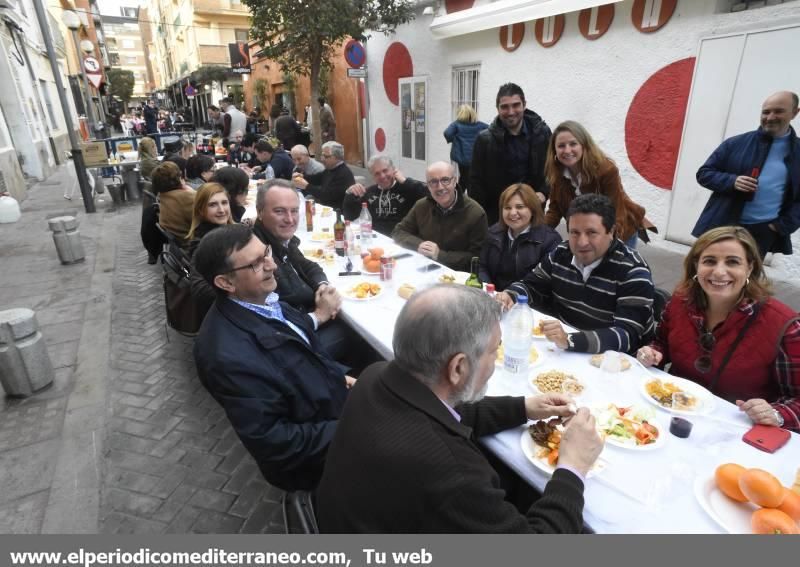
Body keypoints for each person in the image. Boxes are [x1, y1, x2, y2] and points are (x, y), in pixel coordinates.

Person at [316, 285, 603, 533]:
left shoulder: (376, 375)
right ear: (458, 367)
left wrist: (524, 408)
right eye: (494, 351)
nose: (494, 361)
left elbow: (446, 413)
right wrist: (572, 467)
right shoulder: (454, 473)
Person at [192, 225, 353, 491]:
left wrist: (340, 376)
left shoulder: (266, 302)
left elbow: (308, 354)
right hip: (317, 460)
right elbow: (279, 444)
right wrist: (357, 426)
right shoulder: (226, 357)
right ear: (225, 283)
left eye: (266, 253)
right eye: (256, 263)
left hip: (330, 414)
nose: (272, 265)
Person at [637, 226, 799, 431]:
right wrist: (653, 353)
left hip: (735, 431)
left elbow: (797, 400)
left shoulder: (785, 326)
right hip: (673, 416)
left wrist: (776, 414)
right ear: (696, 266)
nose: (719, 272)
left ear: (749, 268)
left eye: (733, 262)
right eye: (709, 261)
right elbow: (661, 343)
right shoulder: (680, 301)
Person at [497, 194, 654, 354]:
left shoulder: (633, 271)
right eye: (574, 232)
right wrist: (511, 295)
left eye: (591, 232)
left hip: (612, 363)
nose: (581, 242)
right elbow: (532, 285)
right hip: (565, 351)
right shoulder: (561, 253)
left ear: (611, 231)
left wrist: (570, 340)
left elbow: (627, 335)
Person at [693, 91, 800, 258]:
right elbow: (704, 174)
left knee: (748, 279)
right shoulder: (736, 143)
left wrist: (781, 226)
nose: (770, 117)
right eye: (766, 112)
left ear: (794, 113)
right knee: (709, 275)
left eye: (779, 111)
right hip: (723, 224)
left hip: (763, 231)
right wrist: (731, 181)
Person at [544, 120, 652, 249]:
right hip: (586, 234)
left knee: (613, 269)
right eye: (561, 146)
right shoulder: (557, 174)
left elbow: (616, 213)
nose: (567, 150)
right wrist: (537, 233)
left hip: (619, 231)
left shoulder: (606, 170)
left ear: (584, 145)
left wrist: (609, 245)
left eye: (573, 144)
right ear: (554, 150)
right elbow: (554, 211)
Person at [470, 83, 551, 224]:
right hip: (497, 215)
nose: (511, 111)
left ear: (524, 105)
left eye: (516, 105)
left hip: (532, 211)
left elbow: (552, 168)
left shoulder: (542, 133)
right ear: (498, 109)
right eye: (505, 107)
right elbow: (476, 182)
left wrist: (544, 192)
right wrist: (480, 219)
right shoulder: (484, 140)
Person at [392, 161, 488, 271]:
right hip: (424, 267)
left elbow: (478, 258)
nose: (440, 187)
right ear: (428, 185)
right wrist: (419, 245)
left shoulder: (475, 213)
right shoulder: (422, 205)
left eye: (445, 180)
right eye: (433, 182)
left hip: (457, 276)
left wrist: (440, 255)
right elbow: (398, 231)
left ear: (455, 180)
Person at [479, 183, 561, 292]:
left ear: (533, 209)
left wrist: (511, 295)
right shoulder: (494, 232)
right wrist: (489, 290)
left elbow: (543, 283)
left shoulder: (550, 240)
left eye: (520, 207)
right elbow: (482, 266)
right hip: (493, 296)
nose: (513, 213)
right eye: (507, 207)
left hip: (526, 303)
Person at [342, 155, 427, 235]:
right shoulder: (369, 192)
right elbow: (350, 216)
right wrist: (349, 193)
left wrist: (406, 182)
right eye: (377, 173)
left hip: (402, 239)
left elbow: (430, 197)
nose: (382, 176)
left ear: (394, 170)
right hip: (377, 239)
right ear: (372, 176)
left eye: (385, 170)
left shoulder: (408, 189)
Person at [293, 141, 355, 208]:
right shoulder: (330, 168)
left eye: (326, 156)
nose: (322, 159)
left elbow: (326, 196)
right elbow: (318, 178)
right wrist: (303, 177)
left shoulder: (343, 174)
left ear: (336, 157)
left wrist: (306, 186)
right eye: (322, 155)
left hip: (338, 211)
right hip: (327, 207)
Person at [443, 104, 488, 193]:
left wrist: (453, 140)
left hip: (462, 157)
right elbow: (490, 132)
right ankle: (464, 196)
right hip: (476, 157)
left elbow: (447, 133)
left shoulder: (457, 124)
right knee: (470, 178)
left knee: (464, 177)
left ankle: (459, 197)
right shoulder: (480, 125)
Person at [151, 161, 195, 241]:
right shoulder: (186, 197)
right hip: (193, 244)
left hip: (179, 246)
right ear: (178, 178)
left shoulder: (163, 197)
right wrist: (192, 192)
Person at [186, 182, 234, 252]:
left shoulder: (223, 233)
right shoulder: (209, 244)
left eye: (224, 203)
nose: (221, 210)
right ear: (200, 210)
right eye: (212, 205)